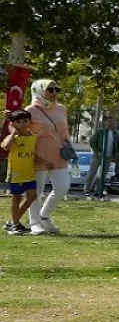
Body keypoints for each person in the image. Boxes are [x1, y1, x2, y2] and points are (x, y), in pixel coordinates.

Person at [23, 78, 71, 235]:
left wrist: (69, 147)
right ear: (39, 90)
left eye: (57, 89)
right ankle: (35, 222)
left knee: (63, 187)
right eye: (50, 89)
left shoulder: (61, 109)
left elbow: (64, 131)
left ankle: (44, 216)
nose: (54, 93)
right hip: (38, 155)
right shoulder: (30, 110)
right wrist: (34, 155)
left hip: (59, 154)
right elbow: (22, 133)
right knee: (36, 191)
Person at [4, 109, 38, 235]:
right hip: (16, 174)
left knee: (32, 197)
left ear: (29, 121)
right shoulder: (14, 138)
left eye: (25, 120)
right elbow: (7, 146)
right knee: (16, 199)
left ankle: (13, 222)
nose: (23, 123)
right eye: (18, 122)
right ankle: (15, 224)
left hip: (29, 174)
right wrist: (13, 134)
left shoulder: (33, 136)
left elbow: (34, 153)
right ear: (14, 124)